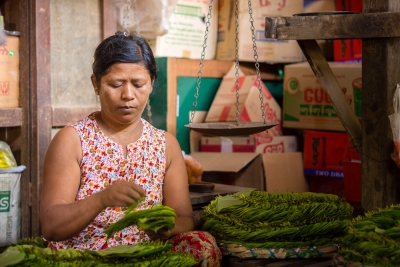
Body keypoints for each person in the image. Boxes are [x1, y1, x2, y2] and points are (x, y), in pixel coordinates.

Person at [39, 32, 222, 266]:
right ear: (96, 83)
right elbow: (51, 226)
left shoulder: (164, 145)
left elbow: (185, 218)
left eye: (138, 84)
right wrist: (101, 200)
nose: (128, 95)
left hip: (147, 257)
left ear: (152, 83)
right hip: (86, 258)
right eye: (116, 84)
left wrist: (166, 228)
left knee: (202, 244)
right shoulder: (73, 140)